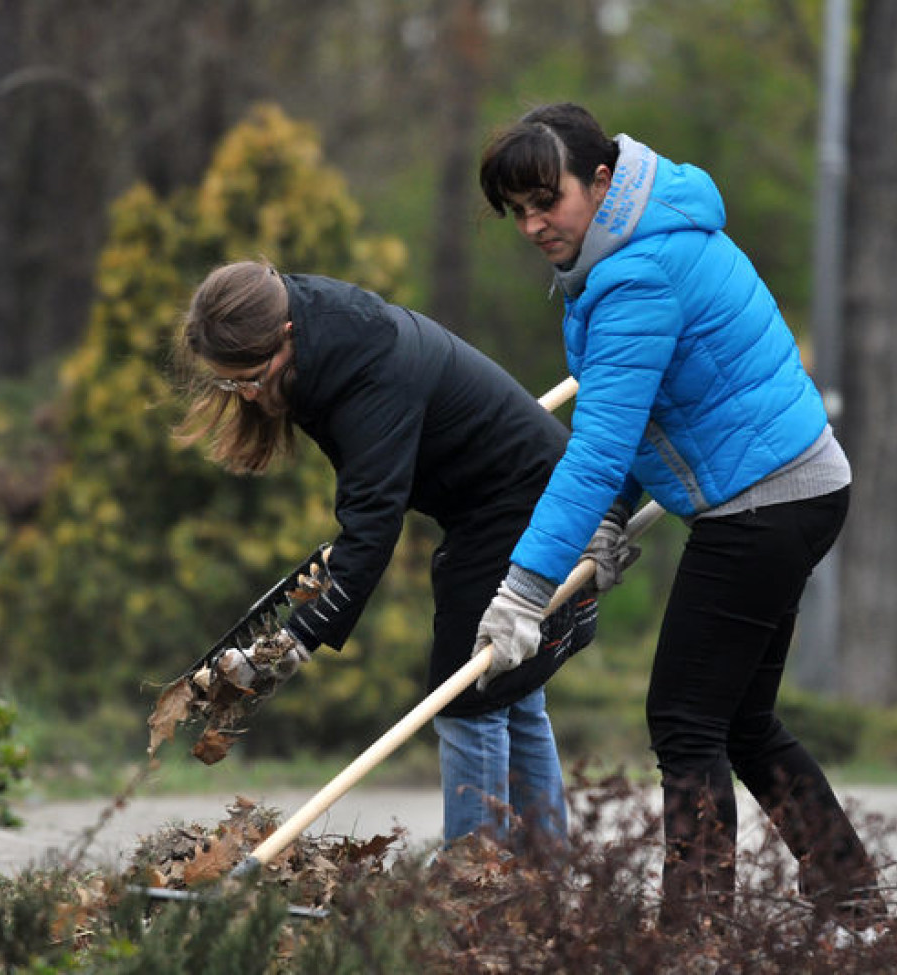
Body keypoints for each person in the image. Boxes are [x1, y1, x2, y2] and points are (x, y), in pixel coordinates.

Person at [473, 103, 885, 930]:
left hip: (763, 502)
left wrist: (524, 588)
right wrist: (610, 518)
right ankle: (857, 903)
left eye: (545, 200)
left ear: (599, 180)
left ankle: (693, 938)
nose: (532, 223)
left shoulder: (634, 276)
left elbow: (594, 449)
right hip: (796, 484)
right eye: (517, 210)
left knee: (684, 720)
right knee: (740, 721)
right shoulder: (631, 245)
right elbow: (639, 420)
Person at [177, 259, 605, 848]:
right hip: (492, 503)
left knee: (466, 695)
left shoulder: (363, 369)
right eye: (230, 385)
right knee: (509, 690)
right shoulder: (303, 323)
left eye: (246, 378)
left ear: (283, 338)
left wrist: (294, 641)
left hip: (524, 505)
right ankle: (548, 888)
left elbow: (375, 525)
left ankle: (472, 893)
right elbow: (371, 501)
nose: (245, 395)